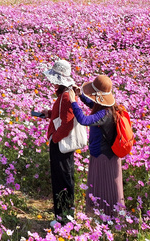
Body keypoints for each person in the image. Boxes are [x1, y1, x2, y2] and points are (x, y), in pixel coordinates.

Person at [67, 75, 124, 217]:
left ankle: (109, 216)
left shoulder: (104, 114)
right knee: (103, 187)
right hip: (103, 155)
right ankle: (105, 215)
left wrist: (73, 101)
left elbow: (84, 120)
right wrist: (80, 96)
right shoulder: (108, 108)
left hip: (104, 157)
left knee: (105, 188)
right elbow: (93, 105)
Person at [41, 59, 77, 226]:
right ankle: (64, 215)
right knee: (63, 177)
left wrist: (55, 139)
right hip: (60, 142)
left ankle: (63, 217)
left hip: (61, 144)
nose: (52, 83)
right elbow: (62, 116)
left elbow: (68, 123)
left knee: (62, 179)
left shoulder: (66, 96)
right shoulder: (65, 94)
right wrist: (49, 113)